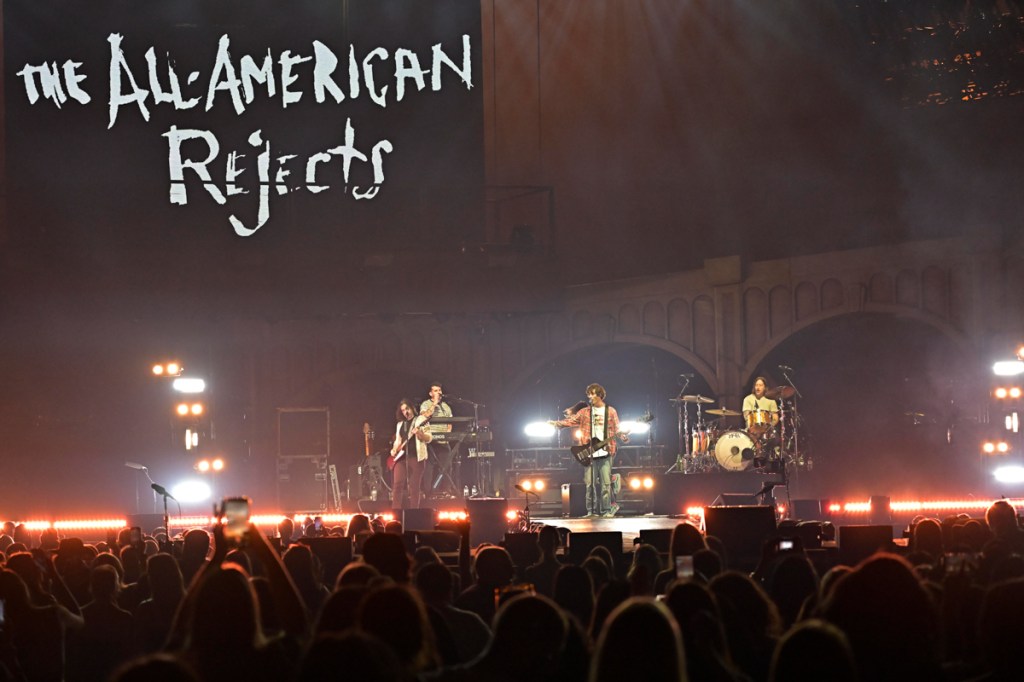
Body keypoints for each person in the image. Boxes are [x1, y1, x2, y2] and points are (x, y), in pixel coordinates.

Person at [549, 383, 626, 517]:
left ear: (600, 395)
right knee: (590, 484)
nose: (589, 397)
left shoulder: (611, 411)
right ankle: (591, 511)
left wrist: (624, 436)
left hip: (606, 451)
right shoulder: (585, 412)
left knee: (605, 484)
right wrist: (556, 423)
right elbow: (571, 421)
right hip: (589, 452)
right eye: (588, 394)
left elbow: (617, 428)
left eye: (592, 394)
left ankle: (606, 510)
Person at [390, 398, 433, 510]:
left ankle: (414, 511)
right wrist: (394, 449)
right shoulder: (400, 424)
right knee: (397, 484)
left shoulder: (421, 420)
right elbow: (398, 441)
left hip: (416, 457)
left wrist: (419, 434)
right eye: (403, 410)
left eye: (407, 408)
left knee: (414, 486)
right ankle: (396, 511)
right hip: (401, 458)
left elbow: (429, 438)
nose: (406, 412)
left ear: (412, 408)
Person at [420, 382, 456, 498]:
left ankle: (446, 491)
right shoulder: (425, 404)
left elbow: (450, 423)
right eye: (435, 391)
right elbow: (424, 416)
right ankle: (428, 492)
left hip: (443, 441)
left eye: (439, 390)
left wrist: (447, 436)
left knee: (447, 466)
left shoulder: (446, 407)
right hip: (430, 440)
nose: (438, 392)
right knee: (428, 467)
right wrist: (434, 403)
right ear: (430, 393)